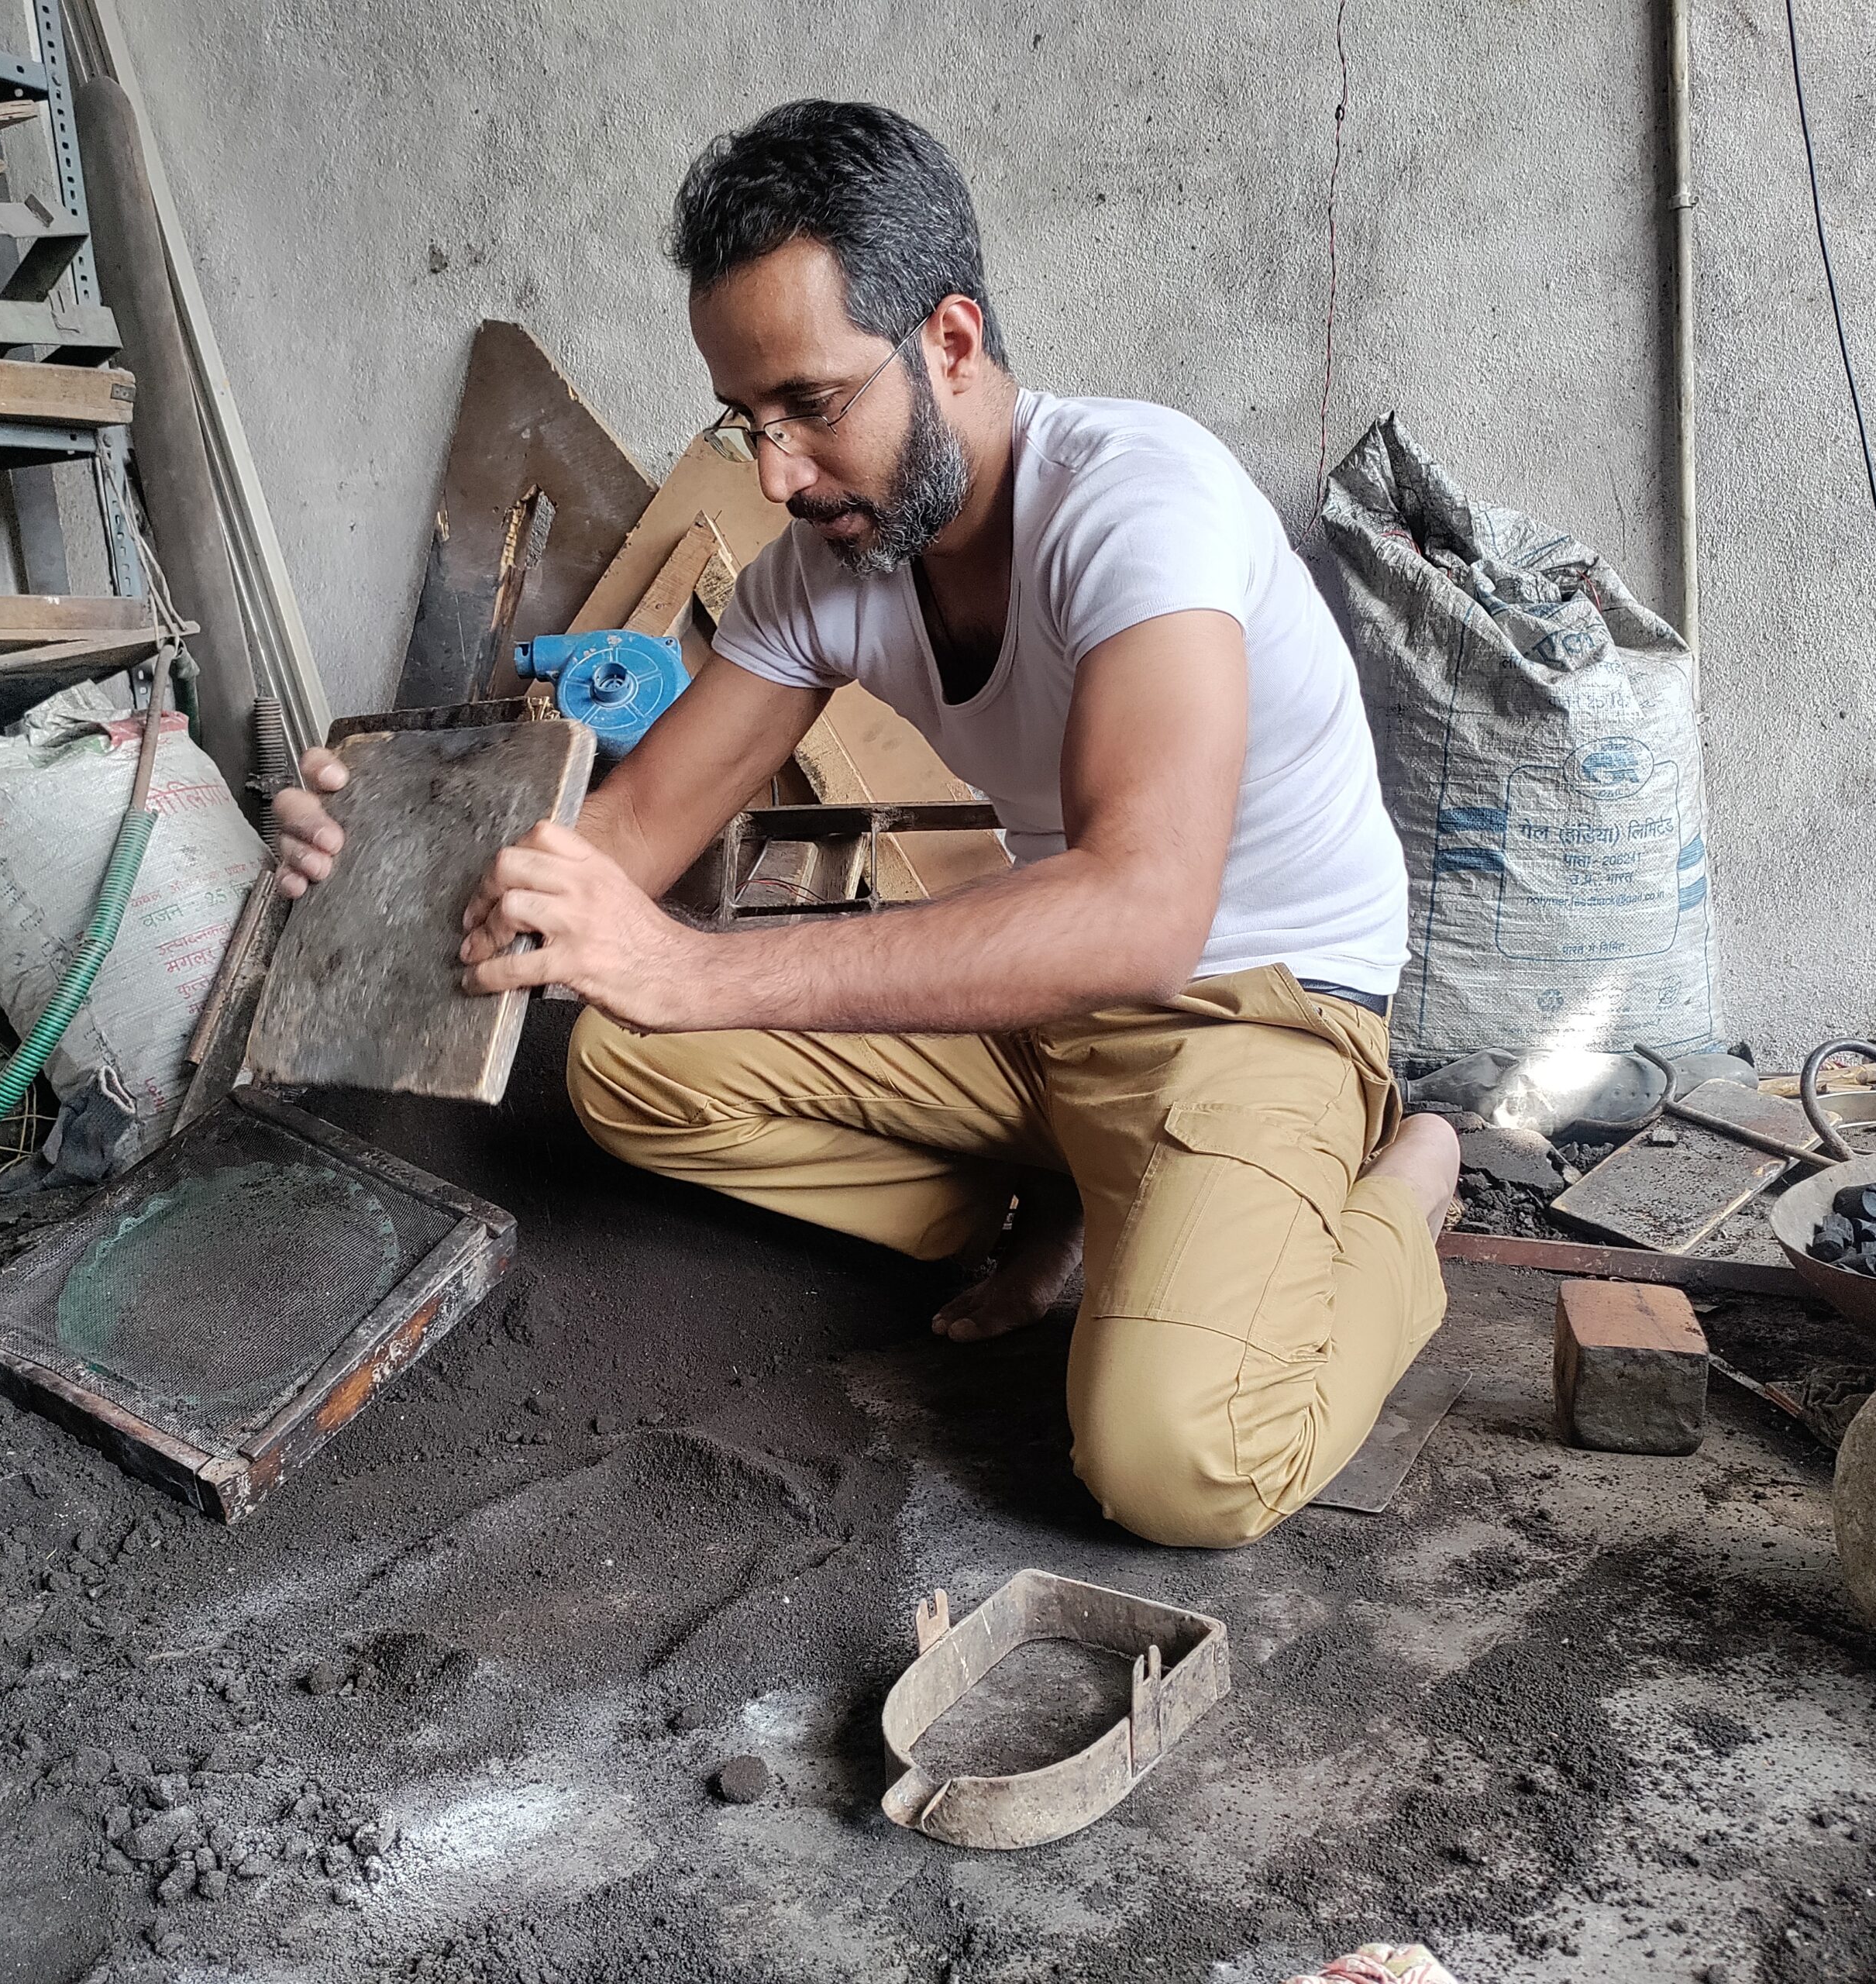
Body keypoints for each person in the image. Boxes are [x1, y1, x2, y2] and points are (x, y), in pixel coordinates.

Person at [275, 99, 1458, 1549]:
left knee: (1173, 1464)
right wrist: (382, 869)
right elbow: (632, 833)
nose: (776, 474)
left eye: (814, 407)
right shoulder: (822, 570)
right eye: (747, 423)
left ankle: (1401, 1194)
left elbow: (1143, 908)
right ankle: (1063, 1201)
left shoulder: (1143, 509)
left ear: (950, 342)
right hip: (1049, 1018)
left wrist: (700, 968)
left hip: (1252, 1008)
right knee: (631, 1072)